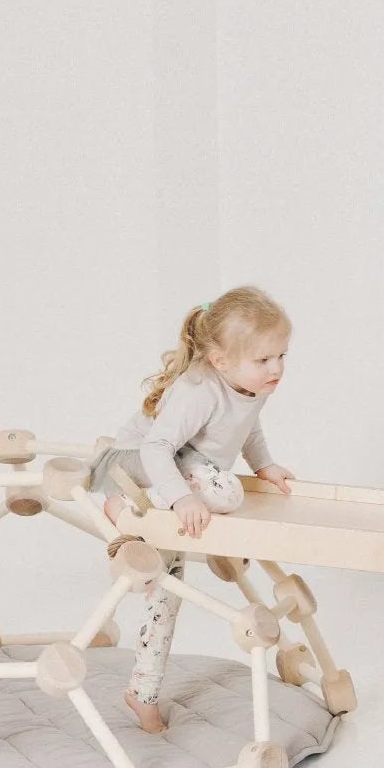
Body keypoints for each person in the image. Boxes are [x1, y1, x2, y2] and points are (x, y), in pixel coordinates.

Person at [89, 286, 295, 730]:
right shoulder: (199, 390)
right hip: (139, 467)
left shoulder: (252, 384)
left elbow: (249, 429)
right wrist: (181, 498)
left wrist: (265, 466)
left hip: (185, 471)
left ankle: (142, 691)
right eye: (264, 359)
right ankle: (123, 505)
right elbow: (155, 447)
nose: (277, 368)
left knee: (166, 593)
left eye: (281, 356)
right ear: (220, 361)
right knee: (227, 494)